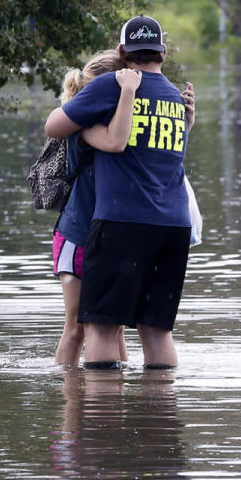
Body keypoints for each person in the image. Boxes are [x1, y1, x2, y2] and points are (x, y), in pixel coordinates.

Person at [45, 15, 196, 370]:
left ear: (121, 51)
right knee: (157, 332)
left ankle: (103, 423)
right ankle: (158, 419)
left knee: (100, 329)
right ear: (162, 52)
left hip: (122, 223)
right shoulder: (176, 98)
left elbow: (54, 127)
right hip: (174, 227)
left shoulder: (113, 84)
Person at [53, 50, 141, 365]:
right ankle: (72, 407)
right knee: (76, 328)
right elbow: (115, 141)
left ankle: (113, 402)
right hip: (77, 234)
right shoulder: (85, 125)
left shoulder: (125, 120)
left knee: (115, 327)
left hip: (110, 236)